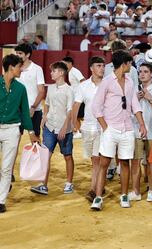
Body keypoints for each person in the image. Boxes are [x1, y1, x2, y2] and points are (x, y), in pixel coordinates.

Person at [90, 50, 147, 211]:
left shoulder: (129, 82)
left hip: (127, 128)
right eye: (130, 63)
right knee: (104, 163)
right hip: (111, 129)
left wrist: (141, 124)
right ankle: (98, 197)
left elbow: (135, 104)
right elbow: (96, 106)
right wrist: (105, 127)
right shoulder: (107, 82)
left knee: (125, 162)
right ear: (125, 64)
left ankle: (123, 195)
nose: (131, 66)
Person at [0, 54, 40, 213]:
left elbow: (24, 112)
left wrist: (31, 131)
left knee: (6, 168)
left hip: (12, 130)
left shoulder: (20, 88)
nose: (21, 70)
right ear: (11, 67)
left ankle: (1, 200)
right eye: (19, 67)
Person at [30, 62, 75, 196]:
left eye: (53, 71)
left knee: (67, 156)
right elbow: (47, 104)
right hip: (49, 127)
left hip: (64, 129)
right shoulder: (50, 87)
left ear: (61, 73)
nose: (51, 73)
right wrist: (44, 116)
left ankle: (68, 182)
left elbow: (70, 111)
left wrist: (64, 128)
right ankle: (43, 185)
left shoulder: (69, 90)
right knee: (46, 156)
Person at [72, 56, 106, 202]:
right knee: (94, 159)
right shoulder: (83, 86)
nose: (102, 68)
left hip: (104, 127)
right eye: (99, 65)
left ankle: (93, 189)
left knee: (98, 159)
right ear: (91, 68)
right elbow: (76, 105)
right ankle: (99, 183)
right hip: (88, 127)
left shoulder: (108, 84)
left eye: (103, 66)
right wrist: (74, 123)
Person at [134, 63, 152, 203]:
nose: (142, 74)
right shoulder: (134, 90)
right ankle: (136, 191)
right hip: (137, 130)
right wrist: (137, 99)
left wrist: (150, 98)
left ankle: (151, 190)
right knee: (136, 161)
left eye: (145, 71)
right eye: (140, 72)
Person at [15, 44, 46, 139]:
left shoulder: (37, 69)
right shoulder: (15, 69)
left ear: (28, 55)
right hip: (17, 110)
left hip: (34, 110)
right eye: (16, 53)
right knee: (15, 138)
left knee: (35, 139)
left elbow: (41, 91)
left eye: (20, 53)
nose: (17, 55)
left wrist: (33, 107)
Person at [62, 56, 86, 139]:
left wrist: (82, 93)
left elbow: (83, 81)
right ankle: (79, 131)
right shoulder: (70, 72)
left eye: (65, 64)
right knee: (76, 116)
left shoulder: (75, 71)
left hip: (79, 98)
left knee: (74, 115)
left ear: (70, 64)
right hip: (76, 97)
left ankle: (78, 131)